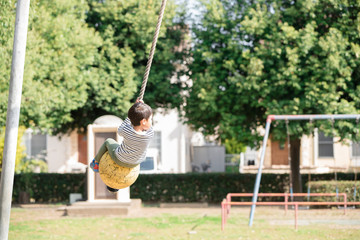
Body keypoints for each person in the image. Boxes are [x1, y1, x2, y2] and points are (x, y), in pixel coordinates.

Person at [90, 99, 154, 192]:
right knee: (114, 143)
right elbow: (146, 126)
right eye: (151, 119)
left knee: (108, 141)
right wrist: (141, 109)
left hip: (120, 158)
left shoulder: (126, 130)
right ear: (143, 121)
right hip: (135, 163)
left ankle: (95, 163)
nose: (151, 121)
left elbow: (121, 128)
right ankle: (96, 163)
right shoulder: (150, 134)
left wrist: (137, 108)